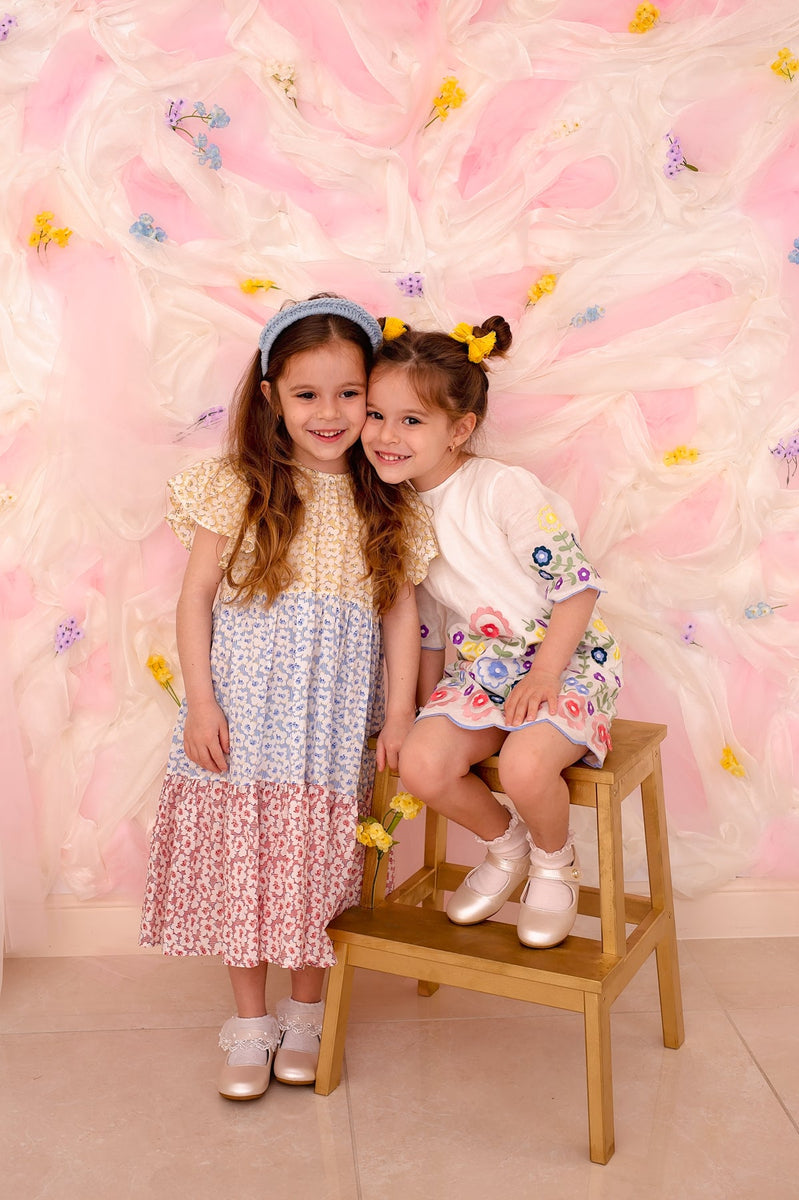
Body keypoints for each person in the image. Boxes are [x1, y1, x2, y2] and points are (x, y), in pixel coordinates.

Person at [139, 297, 436, 1100]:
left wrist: (401, 713)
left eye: (350, 394)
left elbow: (401, 613)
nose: (329, 414)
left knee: (315, 863)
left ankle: (307, 1013)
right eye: (308, 395)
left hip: (329, 724)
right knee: (244, 859)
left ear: (372, 396)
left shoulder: (389, 498)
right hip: (243, 713)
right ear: (272, 396)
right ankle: (250, 1020)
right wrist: (202, 703)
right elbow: (196, 599)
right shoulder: (236, 486)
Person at [360, 316, 622, 949]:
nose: (387, 435)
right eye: (375, 414)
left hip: (565, 660)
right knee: (423, 765)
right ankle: (506, 846)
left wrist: (546, 674)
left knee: (529, 767)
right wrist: (424, 707)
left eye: (411, 420)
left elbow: (577, 589)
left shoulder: (503, 489)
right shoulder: (398, 508)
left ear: (460, 429)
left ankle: (555, 864)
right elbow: (428, 624)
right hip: (481, 669)